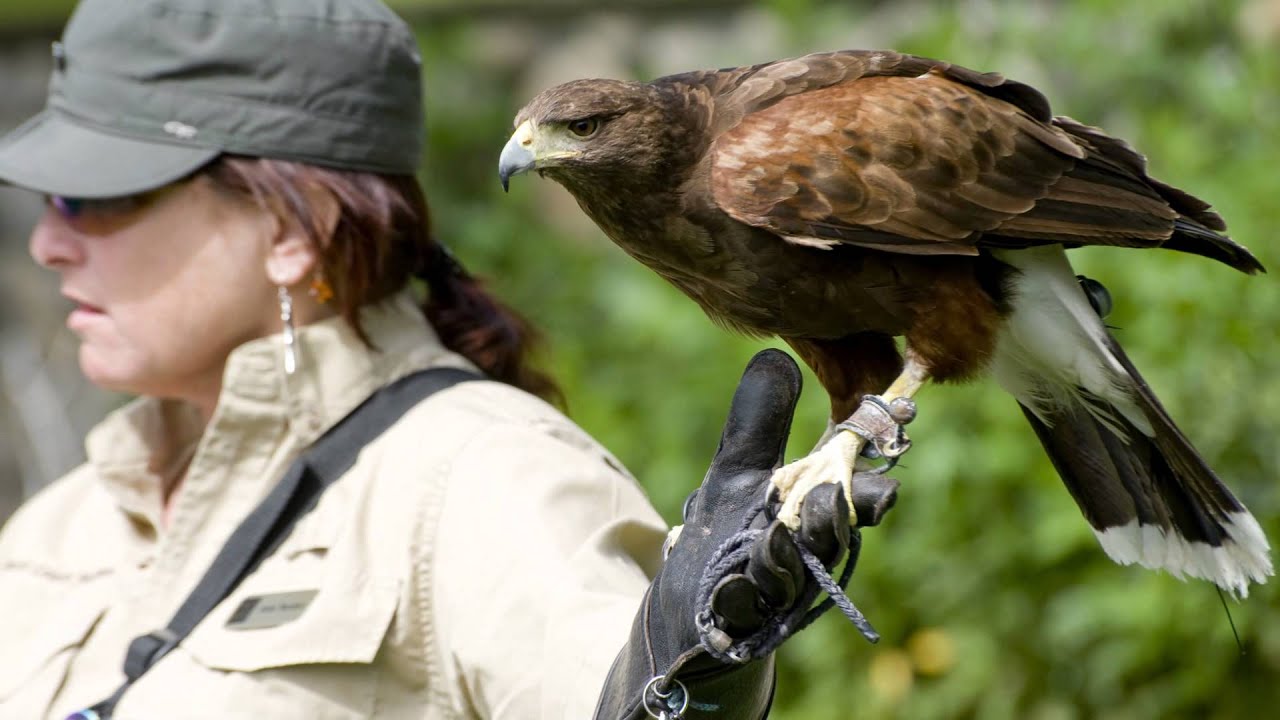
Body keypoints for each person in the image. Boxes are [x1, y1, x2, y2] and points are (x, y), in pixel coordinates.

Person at [0, 1, 894, 718]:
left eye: (95, 197)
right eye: (48, 198)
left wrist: (692, 685)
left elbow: (616, 692)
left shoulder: (484, 483)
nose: (47, 243)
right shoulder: (58, 525)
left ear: (287, 230)